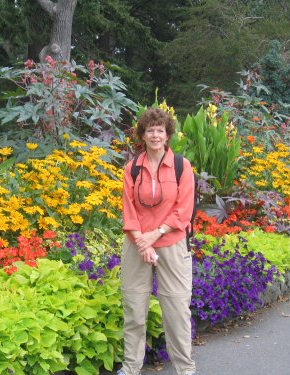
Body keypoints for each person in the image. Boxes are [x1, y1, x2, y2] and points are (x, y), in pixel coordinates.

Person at [118, 108, 197, 375]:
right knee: (134, 310)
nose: (155, 135)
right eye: (150, 130)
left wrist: (155, 235)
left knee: (176, 310)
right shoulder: (132, 168)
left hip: (171, 243)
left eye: (160, 130)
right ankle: (130, 368)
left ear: (167, 135)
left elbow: (183, 210)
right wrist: (142, 242)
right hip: (137, 244)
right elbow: (129, 210)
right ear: (142, 134)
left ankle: (185, 369)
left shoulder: (181, 166)